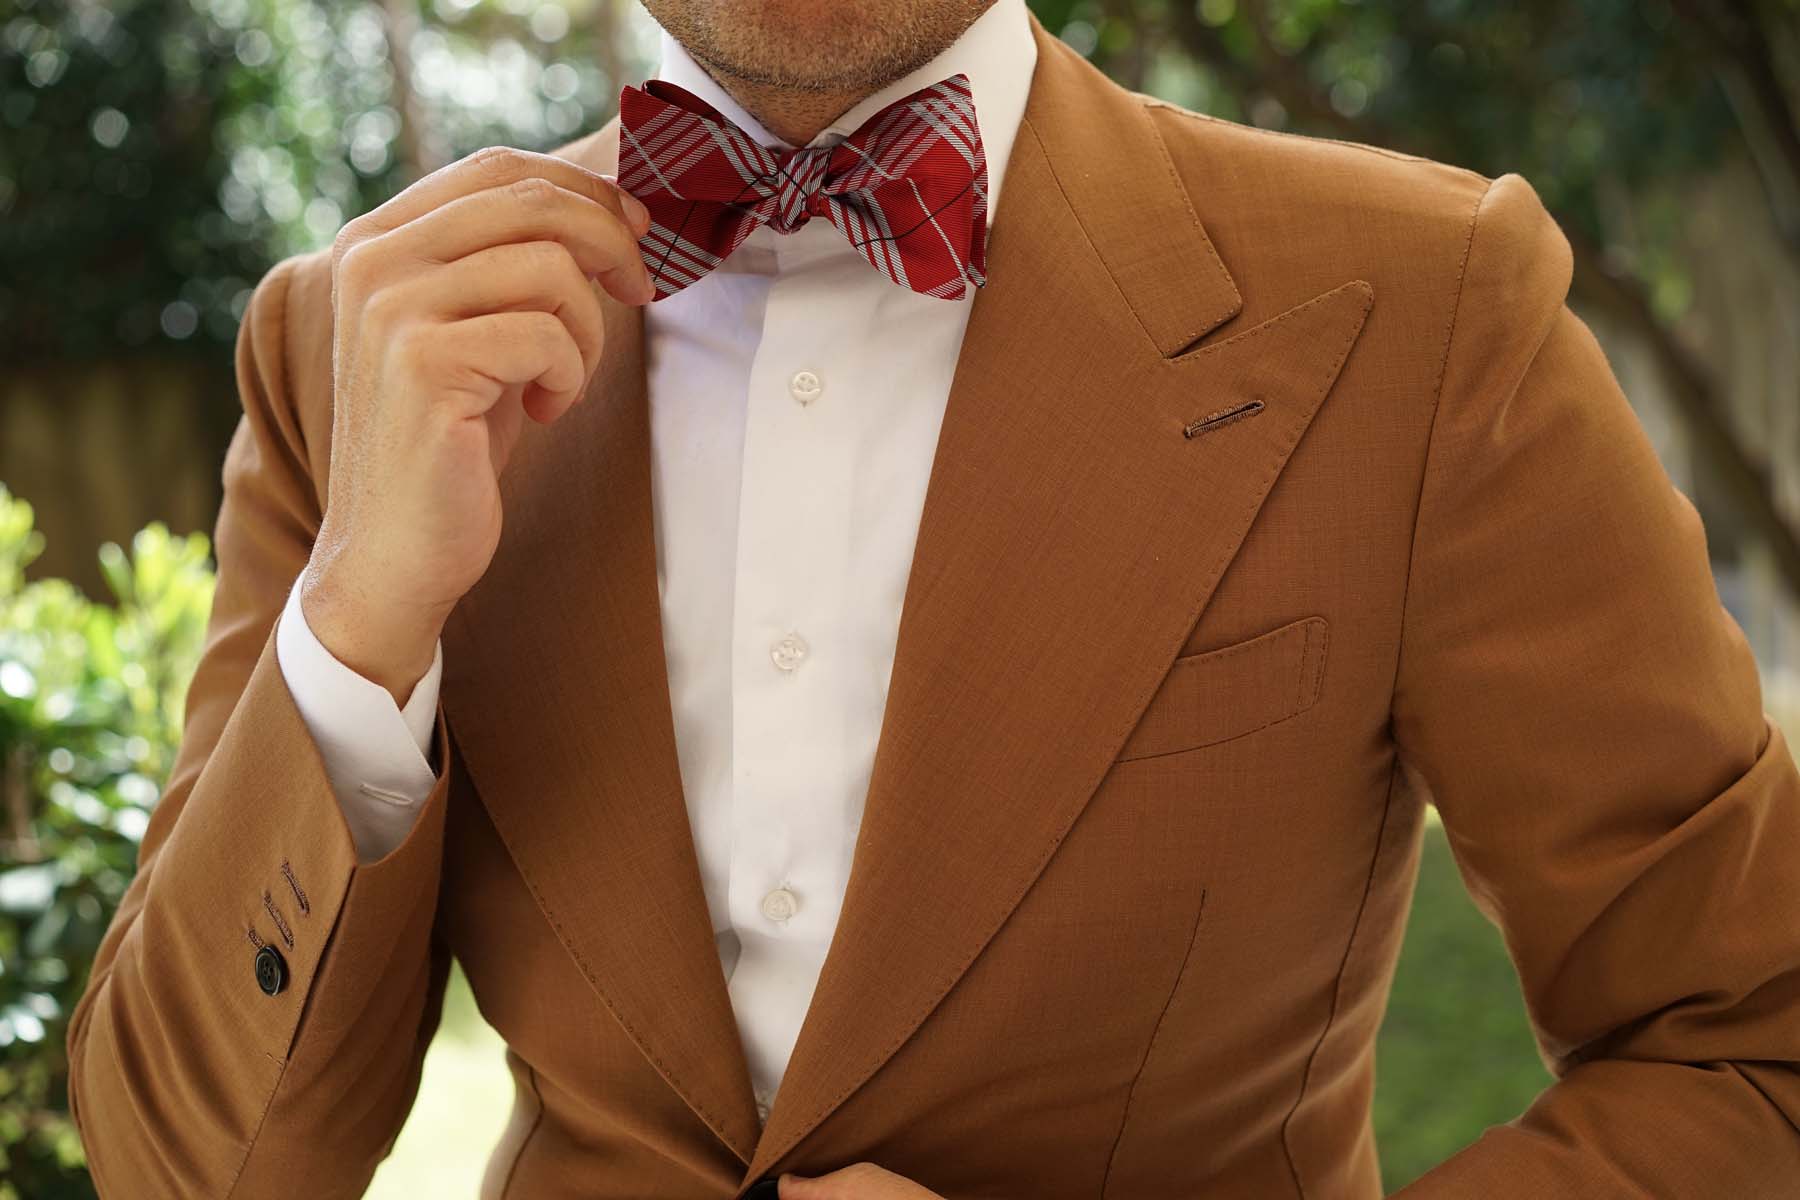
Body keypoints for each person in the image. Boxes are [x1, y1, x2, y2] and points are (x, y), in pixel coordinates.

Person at [66, 0, 1800, 1196]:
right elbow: (191, 1170)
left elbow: (1751, 1047)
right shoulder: (345, 349)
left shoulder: (1421, 312)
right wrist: (365, 625)